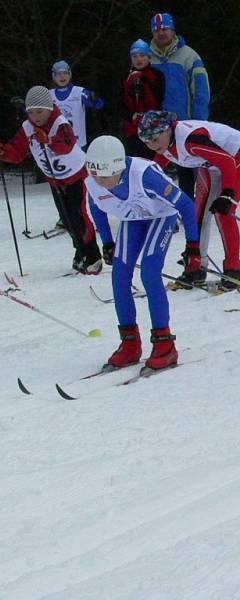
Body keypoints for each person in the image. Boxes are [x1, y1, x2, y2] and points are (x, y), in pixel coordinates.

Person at [84, 135, 199, 373]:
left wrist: (193, 247)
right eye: (96, 176)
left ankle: (165, 345)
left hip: (161, 216)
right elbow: (96, 208)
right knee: (119, 277)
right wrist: (106, 242)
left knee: (149, 273)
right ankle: (130, 344)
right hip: (132, 219)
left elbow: (186, 205)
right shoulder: (94, 181)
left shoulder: (144, 174)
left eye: (107, 177)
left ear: (120, 168)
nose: (101, 182)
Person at [0, 85, 102, 274]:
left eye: (40, 112)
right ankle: (80, 253)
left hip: (75, 174)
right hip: (55, 179)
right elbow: (17, 151)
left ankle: (93, 256)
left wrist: (49, 141)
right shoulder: (28, 127)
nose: (36, 116)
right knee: (67, 219)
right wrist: (3, 152)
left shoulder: (59, 122)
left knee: (78, 216)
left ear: (49, 109)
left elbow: (67, 145)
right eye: (31, 112)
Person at [138, 110, 240, 289]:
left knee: (223, 212)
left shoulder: (190, 140)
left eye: (154, 139)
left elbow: (228, 161)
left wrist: (227, 194)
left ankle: (234, 269)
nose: (152, 146)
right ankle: (196, 266)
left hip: (234, 159)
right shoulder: (164, 144)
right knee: (196, 215)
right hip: (211, 165)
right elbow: (155, 168)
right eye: (147, 142)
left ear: (167, 130)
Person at [148, 11, 210, 200]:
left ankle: (192, 205)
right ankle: (161, 208)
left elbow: (201, 90)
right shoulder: (146, 57)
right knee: (156, 168)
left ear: (172, 29)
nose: (161, 33)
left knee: (187, 168)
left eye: (165, 28)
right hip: (155, 126)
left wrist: (200, 120)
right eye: (156, 30)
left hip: (184, 123)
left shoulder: (189, 55)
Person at [121, 39, 165, 159]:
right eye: (135, 56)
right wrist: (131, 116)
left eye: (142, 55)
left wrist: (144, 83)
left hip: (152, 126)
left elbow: (159, 100)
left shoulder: (157, 75)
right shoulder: (125, 76)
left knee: (152, 160)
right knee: (135, 160)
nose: (138, 59)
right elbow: (119, 104)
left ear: (148, 57)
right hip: (132, 128)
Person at [48, 60, 105, 149]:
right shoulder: (48, 95)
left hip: (78, 145)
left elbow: (99, 104)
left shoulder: (79, 92)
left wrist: (94, 99)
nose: (62, 76)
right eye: (59, 74)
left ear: (69, 74)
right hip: (56, 145)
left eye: (65, 73)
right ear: (54, 76)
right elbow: (33, 110)